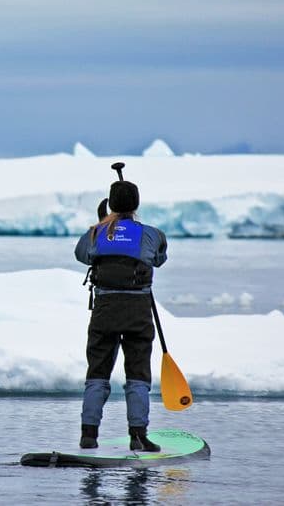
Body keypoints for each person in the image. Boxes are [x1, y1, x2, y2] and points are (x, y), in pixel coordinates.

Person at [74, 163, 167, 451]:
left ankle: (89, 435)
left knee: (97, 373)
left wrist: (102, 223)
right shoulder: (151, 234)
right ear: (136, 204)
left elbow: (82, 256)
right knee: (138, 374)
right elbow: (159, 258)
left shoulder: (95, 233)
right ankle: (138, 437)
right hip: (138, 311)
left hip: (105, 310)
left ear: (110, 204)